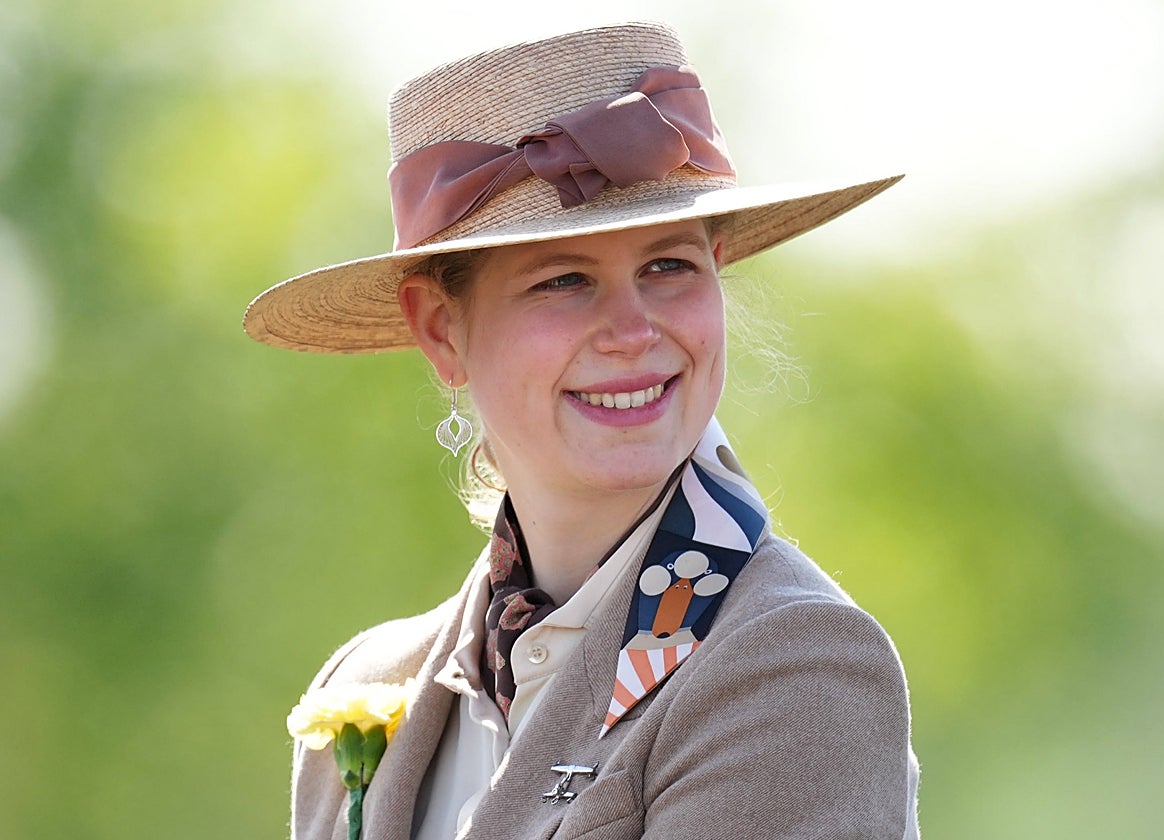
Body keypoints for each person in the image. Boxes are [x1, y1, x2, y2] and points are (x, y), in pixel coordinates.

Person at [245, 22, 920, 840]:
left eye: (668, 266)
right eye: (564, 280)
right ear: (441, 330)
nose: (632, 332)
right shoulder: (365, 688)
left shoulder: (794, 665)